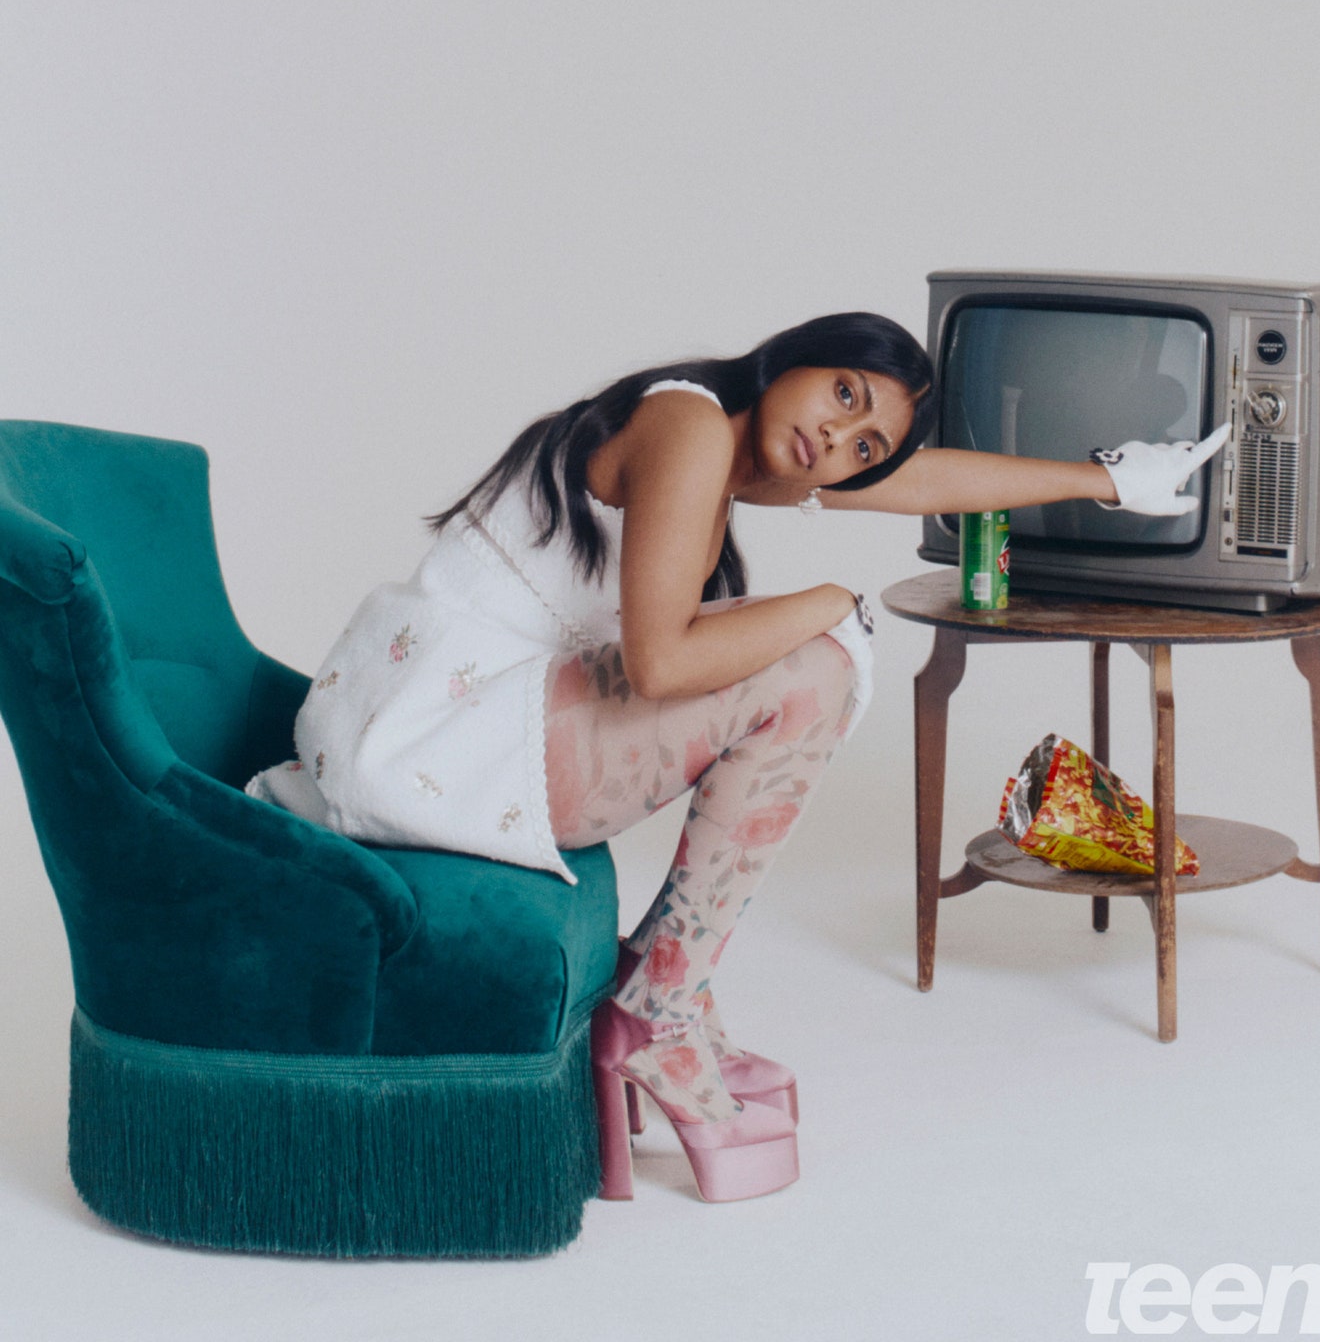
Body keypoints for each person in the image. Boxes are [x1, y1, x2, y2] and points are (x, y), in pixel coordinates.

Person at [246, 310, 1227, 1204]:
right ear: (795, 354)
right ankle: (661, 1005)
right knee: (813, 666)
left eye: (863, 444)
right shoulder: (691, 426)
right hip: (439, 741)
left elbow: (922, 479)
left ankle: (668, 980)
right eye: (844, 395)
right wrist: (836, 603)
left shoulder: (728, 443)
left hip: (437, 722)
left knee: (810, 656)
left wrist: (1109, 479)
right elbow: (662, 659)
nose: (838, 440)